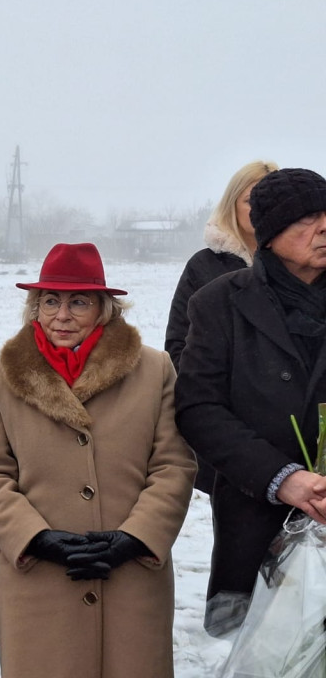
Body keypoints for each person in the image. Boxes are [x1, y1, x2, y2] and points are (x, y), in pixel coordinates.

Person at [0, 242, 196, 678]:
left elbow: (173, 466)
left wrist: (135, 538)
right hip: (39, 582)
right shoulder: (1, 376)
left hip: (130, 580)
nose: (62, 315)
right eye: (50, 301)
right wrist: (36, 539)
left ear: (104, 308)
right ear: (35, 307)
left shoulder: (154, 370)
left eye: (79, 302)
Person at [176, 167, 326, 636]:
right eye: (306, 218)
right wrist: (284, 479)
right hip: (257, 519)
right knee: (270, 652)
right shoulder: (218, 303)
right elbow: (199, 409)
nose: (323, 227)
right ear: (268, 233)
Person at [165, 159, 278, 493]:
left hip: (299, 434)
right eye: (251, 200)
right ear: (232, 205)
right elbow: (177, 347)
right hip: (229, 433)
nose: (260, 209)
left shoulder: (307, 268)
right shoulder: (205, 266)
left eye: (270, 202)